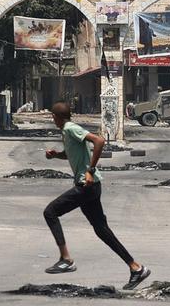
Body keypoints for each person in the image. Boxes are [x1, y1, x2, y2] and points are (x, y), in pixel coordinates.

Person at [42, 101, 150, 290]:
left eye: (53, 117)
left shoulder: (70, 128)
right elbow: (71, 154)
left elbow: (99, 141)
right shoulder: (67, 131)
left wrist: (90, 170)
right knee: (101, 229)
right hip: (91, 187)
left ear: (55, 117)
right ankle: (136, 268)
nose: (53, 120)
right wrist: (56, 155)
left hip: (86, 186)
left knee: (50, 212)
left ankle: (66, 259)